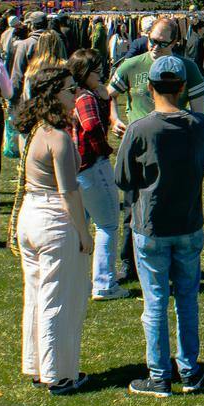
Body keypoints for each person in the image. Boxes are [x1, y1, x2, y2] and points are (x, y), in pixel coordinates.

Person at [113, 55, 204, 396]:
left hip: (152, 225)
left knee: (155, 303)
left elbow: (123, 177)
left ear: (151, 88)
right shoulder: (199, 125)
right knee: (186, 299)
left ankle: (159, 374)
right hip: (187, 222)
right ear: (183, 88)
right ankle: (189, 370)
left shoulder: (141, 129)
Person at [15, 64, 92, 394]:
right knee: (58, 299)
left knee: (36, 295)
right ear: (53, 96)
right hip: (52, 218)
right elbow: (68, 191)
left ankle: (37, 365)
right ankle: (58, 374)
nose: (75, 95)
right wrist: (85, 234)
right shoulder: (57, 138)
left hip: (30, 217)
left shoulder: (33, 131)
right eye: (69, 90)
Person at [67, 50, 129, 300]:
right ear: (84, 73)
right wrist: (104, 148)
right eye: (96, 71)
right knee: (107, 224)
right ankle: (104, 282)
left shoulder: (76, 94)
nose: (100, 74)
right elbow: (92, 127)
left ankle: (78, 278)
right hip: (92, 166)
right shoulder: (85, 97)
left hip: (78, 168)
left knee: (79, 225)